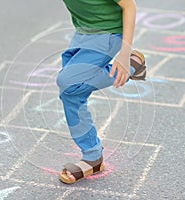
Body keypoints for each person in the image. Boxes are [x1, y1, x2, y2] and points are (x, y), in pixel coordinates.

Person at [56, 0, 146, 184]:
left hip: (109, 34)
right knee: (72, 94)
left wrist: (124, 53)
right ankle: (93, 158)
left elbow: (129, 6)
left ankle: (130, 67)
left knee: (67, 82)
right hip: (82, 33)